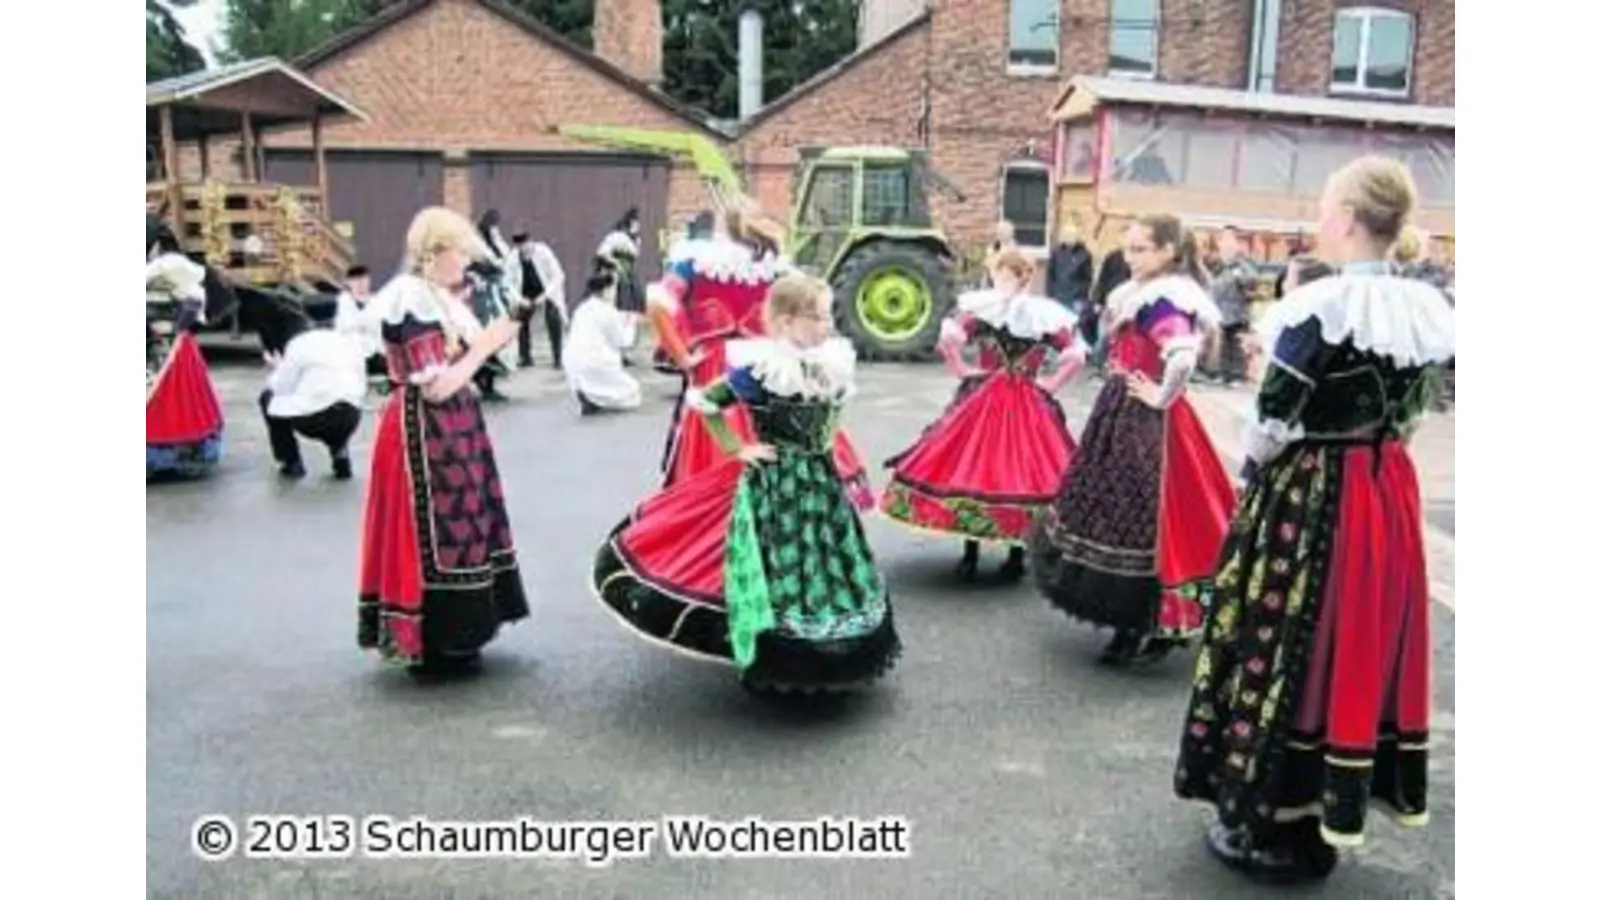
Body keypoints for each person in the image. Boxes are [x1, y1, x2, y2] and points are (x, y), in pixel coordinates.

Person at [1173, 156, 1455, 884]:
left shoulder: (1319, 307)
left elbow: (1272, 418)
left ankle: (1269, 818)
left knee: (1286, 635)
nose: (1322, 221)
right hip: (1386, 487)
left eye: (1329, 209)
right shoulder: (1428, 310)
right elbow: (1422, 408)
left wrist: (1254, 477)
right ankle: (1322, 817)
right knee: (1355, 636)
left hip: (1314, 490)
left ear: (1352, 220)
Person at [592, 274, 900, 695]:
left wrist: (824, 449)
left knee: (826, 560)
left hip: (819, 482)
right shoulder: (762, 368)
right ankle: (776, 658)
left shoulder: (832, 360)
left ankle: (828, 653)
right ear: (787, 322)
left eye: (829, 317)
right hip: (775, 485)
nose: (827, 326)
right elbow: (707, 403)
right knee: (777, 563)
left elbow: (829, 417)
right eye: (818, 318)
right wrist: (738, 449)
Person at [1029, 214, 1237, 667]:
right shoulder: (1140, 295)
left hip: (1144, 420)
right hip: (1122, 410)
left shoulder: (1165, 300)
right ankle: (1138, 623)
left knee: (1143, 517)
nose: (1131, 256)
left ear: (1169, 252)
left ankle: (1142, 623)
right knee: (1116, 510)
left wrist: (1161, 396)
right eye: (1130, 247)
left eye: (1142, 248)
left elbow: (1180, 355)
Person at [356, 207, 531, 675]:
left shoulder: (435, 297)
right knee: (436, 529)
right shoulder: (408, 300)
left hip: (454, 428)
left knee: (465, 521)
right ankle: (437, 638)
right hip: (425, 430)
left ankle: (461, 633)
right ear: (434, 252)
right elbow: (433, 386)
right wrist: (485, 345)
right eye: (460, 252)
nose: (465, 262)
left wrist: (502, 331)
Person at [646, 199, 874, 510]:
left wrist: (682, 356)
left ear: (720, 225)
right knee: (788, 437)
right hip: (768, 363)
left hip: (713, 365)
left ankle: (715, 528)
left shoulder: (694, 262)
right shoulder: (776, 265)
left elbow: (658, 303)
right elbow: (806, 304)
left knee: (717, 448)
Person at [881, 248, 1086, 581]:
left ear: (1023, 277)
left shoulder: (1018, 312)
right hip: (1004, 395)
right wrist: (962, 367)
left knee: (1017, 470)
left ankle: (1013, 554)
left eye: (1008, 274)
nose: (1001, 280)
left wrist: (964, 368)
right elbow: (951, 337)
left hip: (1008, 396)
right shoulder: (1004, 311)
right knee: (976, 468)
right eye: (999, 273)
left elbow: (1074, 355)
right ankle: (975, 552)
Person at [257, 298, 365, 480]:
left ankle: (291, 461)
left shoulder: (299, 344)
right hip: (351, 417)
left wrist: (277, 366)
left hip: (313, 420)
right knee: (340, 394)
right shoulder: (349, 343)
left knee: (267, 398)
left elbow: (279, 386)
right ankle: (340, 452)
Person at [146, 230, 225, 478]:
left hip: (151, 343)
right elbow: (195, 307)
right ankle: (188, 453)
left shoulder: (151, 272)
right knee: (183, 397)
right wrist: (178, 325)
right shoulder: (189, 278)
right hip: (178, 345)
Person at [565, 262, 642, 414]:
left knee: (602, 386)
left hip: (573, 363)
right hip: (597, 363)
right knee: (632, 393)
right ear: (607, 290)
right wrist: (632, 323)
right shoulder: (608, 310)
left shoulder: (582, 308)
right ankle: (596, 400)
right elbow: (623, 342)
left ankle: (589, 396)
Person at [1205, 226, 1259, 386]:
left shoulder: (1243, 263)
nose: (1227, 243)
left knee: (1236, 344)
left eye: (1231, 239)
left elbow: (1252, 280)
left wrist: (1239, 274)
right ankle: (1223, 372)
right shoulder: (1216, 263)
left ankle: (1237, 375)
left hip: (1237, 311)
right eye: (1223, 239)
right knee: (1222, 345)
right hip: (1219, 309)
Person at [511, 232, 567, 370]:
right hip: (525, 292)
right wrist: (520, 299)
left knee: (553, 318)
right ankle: (525, 356)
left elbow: (558, 276)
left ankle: (558, 357)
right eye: (521, 246)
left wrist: (545, 295)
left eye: (526, 244)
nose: (524, 249)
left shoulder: (544, 252)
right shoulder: (512, 258)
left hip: (546, 291)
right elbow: (508, 283)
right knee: (520, 320)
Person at [334, 265, 384, 379]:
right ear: (348, 283)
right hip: (350, 353)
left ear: (369, 281)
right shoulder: (343, 301)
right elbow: (344, 327)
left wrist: (360, 325)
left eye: (363, 280)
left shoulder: (377, 301)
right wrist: (363, 325)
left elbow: (376, 327)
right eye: (356, 281)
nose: (360, 284)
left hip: (375, 350)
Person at [598, 208, 644, 314]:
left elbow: (635, 255)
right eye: (634, 222)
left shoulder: (636, 241)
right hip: (614, 273)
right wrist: (615, 263)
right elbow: (602, 252)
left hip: (628, 275)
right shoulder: (616, 237)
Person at [1045, 218, 1093, 317]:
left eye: (1072, 234)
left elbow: (1087, 279)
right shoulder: (1056, 252)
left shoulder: (1084, 254)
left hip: (1076, 300)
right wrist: (1050, 295)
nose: (1069, 236)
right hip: (1058, 298)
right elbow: (1050, 275)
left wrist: (1081, 295)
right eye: (1067, 234)